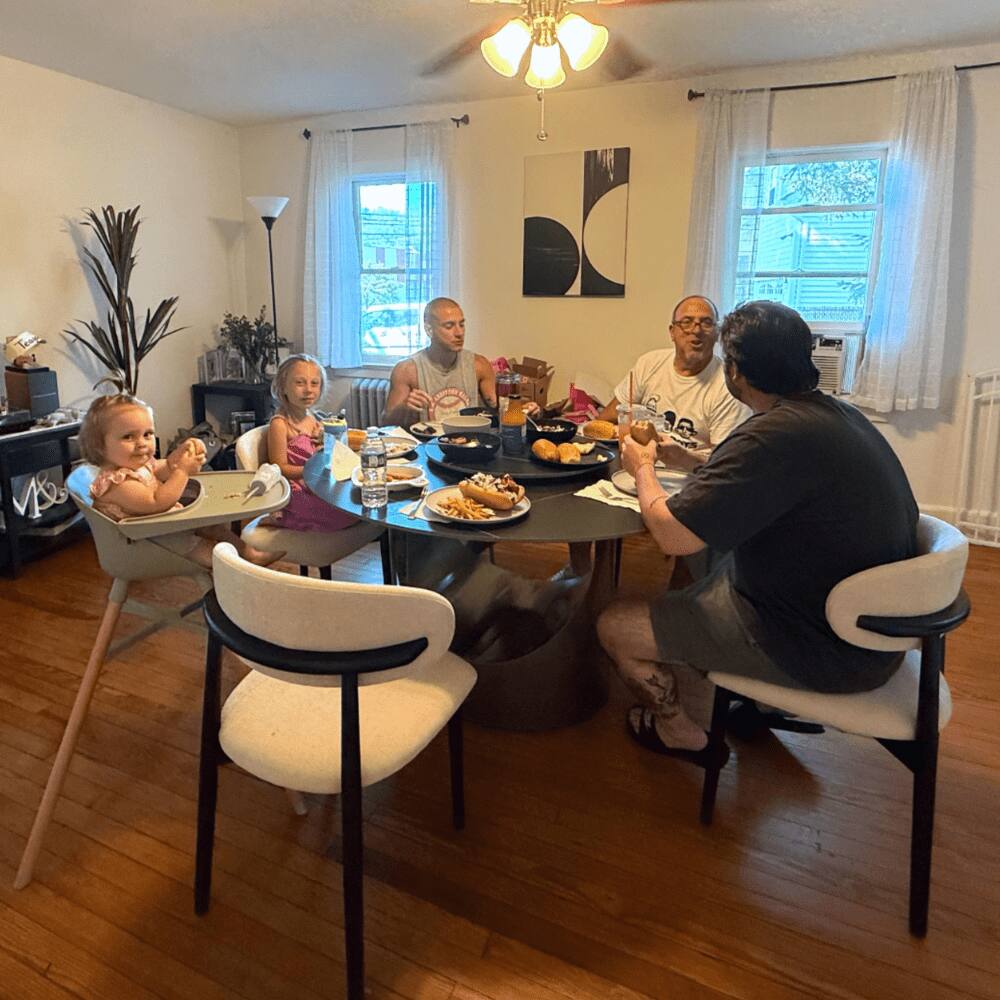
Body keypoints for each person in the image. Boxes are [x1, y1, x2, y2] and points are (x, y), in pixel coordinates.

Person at [597, 301, 918, 764]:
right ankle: (738, 685)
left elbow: (673, 535)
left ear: (736, 372)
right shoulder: (829, 416)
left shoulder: (771, 435)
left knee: (613, 626)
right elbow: (750, 475)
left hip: (822, 648)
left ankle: (680, 733)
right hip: (869, 627)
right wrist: (686, 459)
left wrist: (642, 467)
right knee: (706, 557)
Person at [80, 393, 275, 569]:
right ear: (99, 446)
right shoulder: (117, 483)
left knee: (213, 526)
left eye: (147, 434)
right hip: (145, 541)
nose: (142, 443)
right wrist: (182, 471)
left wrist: (184, 451)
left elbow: (166, 466)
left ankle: (249, 554)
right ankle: (235, 570)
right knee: (203, 547)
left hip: (163, 525)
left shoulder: (137, 466)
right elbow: (157, 502)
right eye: (128, 436)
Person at [599, 295, 749, 471]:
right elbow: (605, 420)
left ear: (717, 333)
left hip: (691, 479)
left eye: (707, 323)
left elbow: (726, 465)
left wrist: (681, 456)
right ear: (672, 332)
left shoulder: (729, 385)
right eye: (687, 322)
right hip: (638, 470)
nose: (696, 330)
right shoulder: (649, 364)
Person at [263, 353, 359, 532]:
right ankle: (284, 519)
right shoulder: (280, 424)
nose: (308, 390)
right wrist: (313, 471)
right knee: (345, 513)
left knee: (357, 501)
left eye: (314, 383)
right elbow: (279, 467)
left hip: (318, 485)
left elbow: (325, 455)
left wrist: (325, 442)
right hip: (298, 490)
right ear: (283, 387)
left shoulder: (315, 419)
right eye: (300, 383)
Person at [382, 298, 498, 428]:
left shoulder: (479, 365)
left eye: (461, 325)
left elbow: (497, 409)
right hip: (427, 439)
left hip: (469, 439)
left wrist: (504, 402)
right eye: (449, 326)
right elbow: (387, 423)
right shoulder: (407, 370)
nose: (459, 333)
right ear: (429, 330)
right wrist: (404, 408)